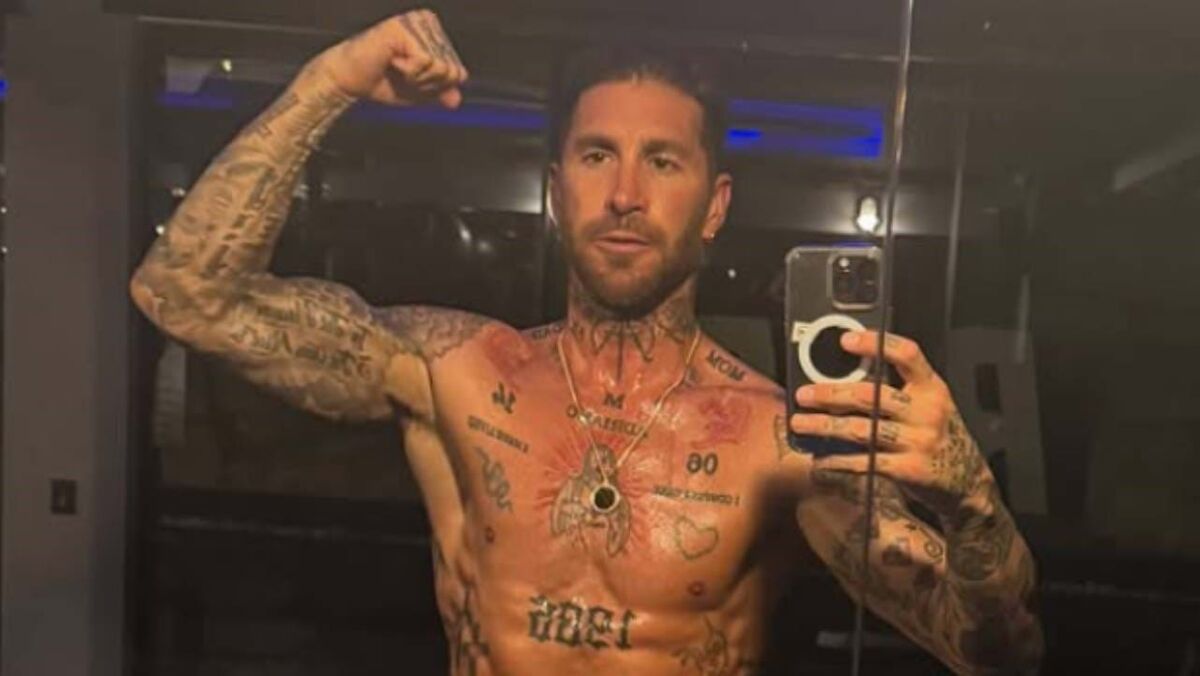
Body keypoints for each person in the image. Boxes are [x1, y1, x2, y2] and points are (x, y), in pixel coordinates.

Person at [129, 10, 1043, 674]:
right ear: (557, 190)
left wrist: (971, 504)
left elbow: (995, 655)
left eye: (664, 161)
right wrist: (330, 79)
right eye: (598, 155)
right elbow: (183, 294)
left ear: (714, 205)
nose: (626, 195)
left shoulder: (778, 445)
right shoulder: (458, 374)